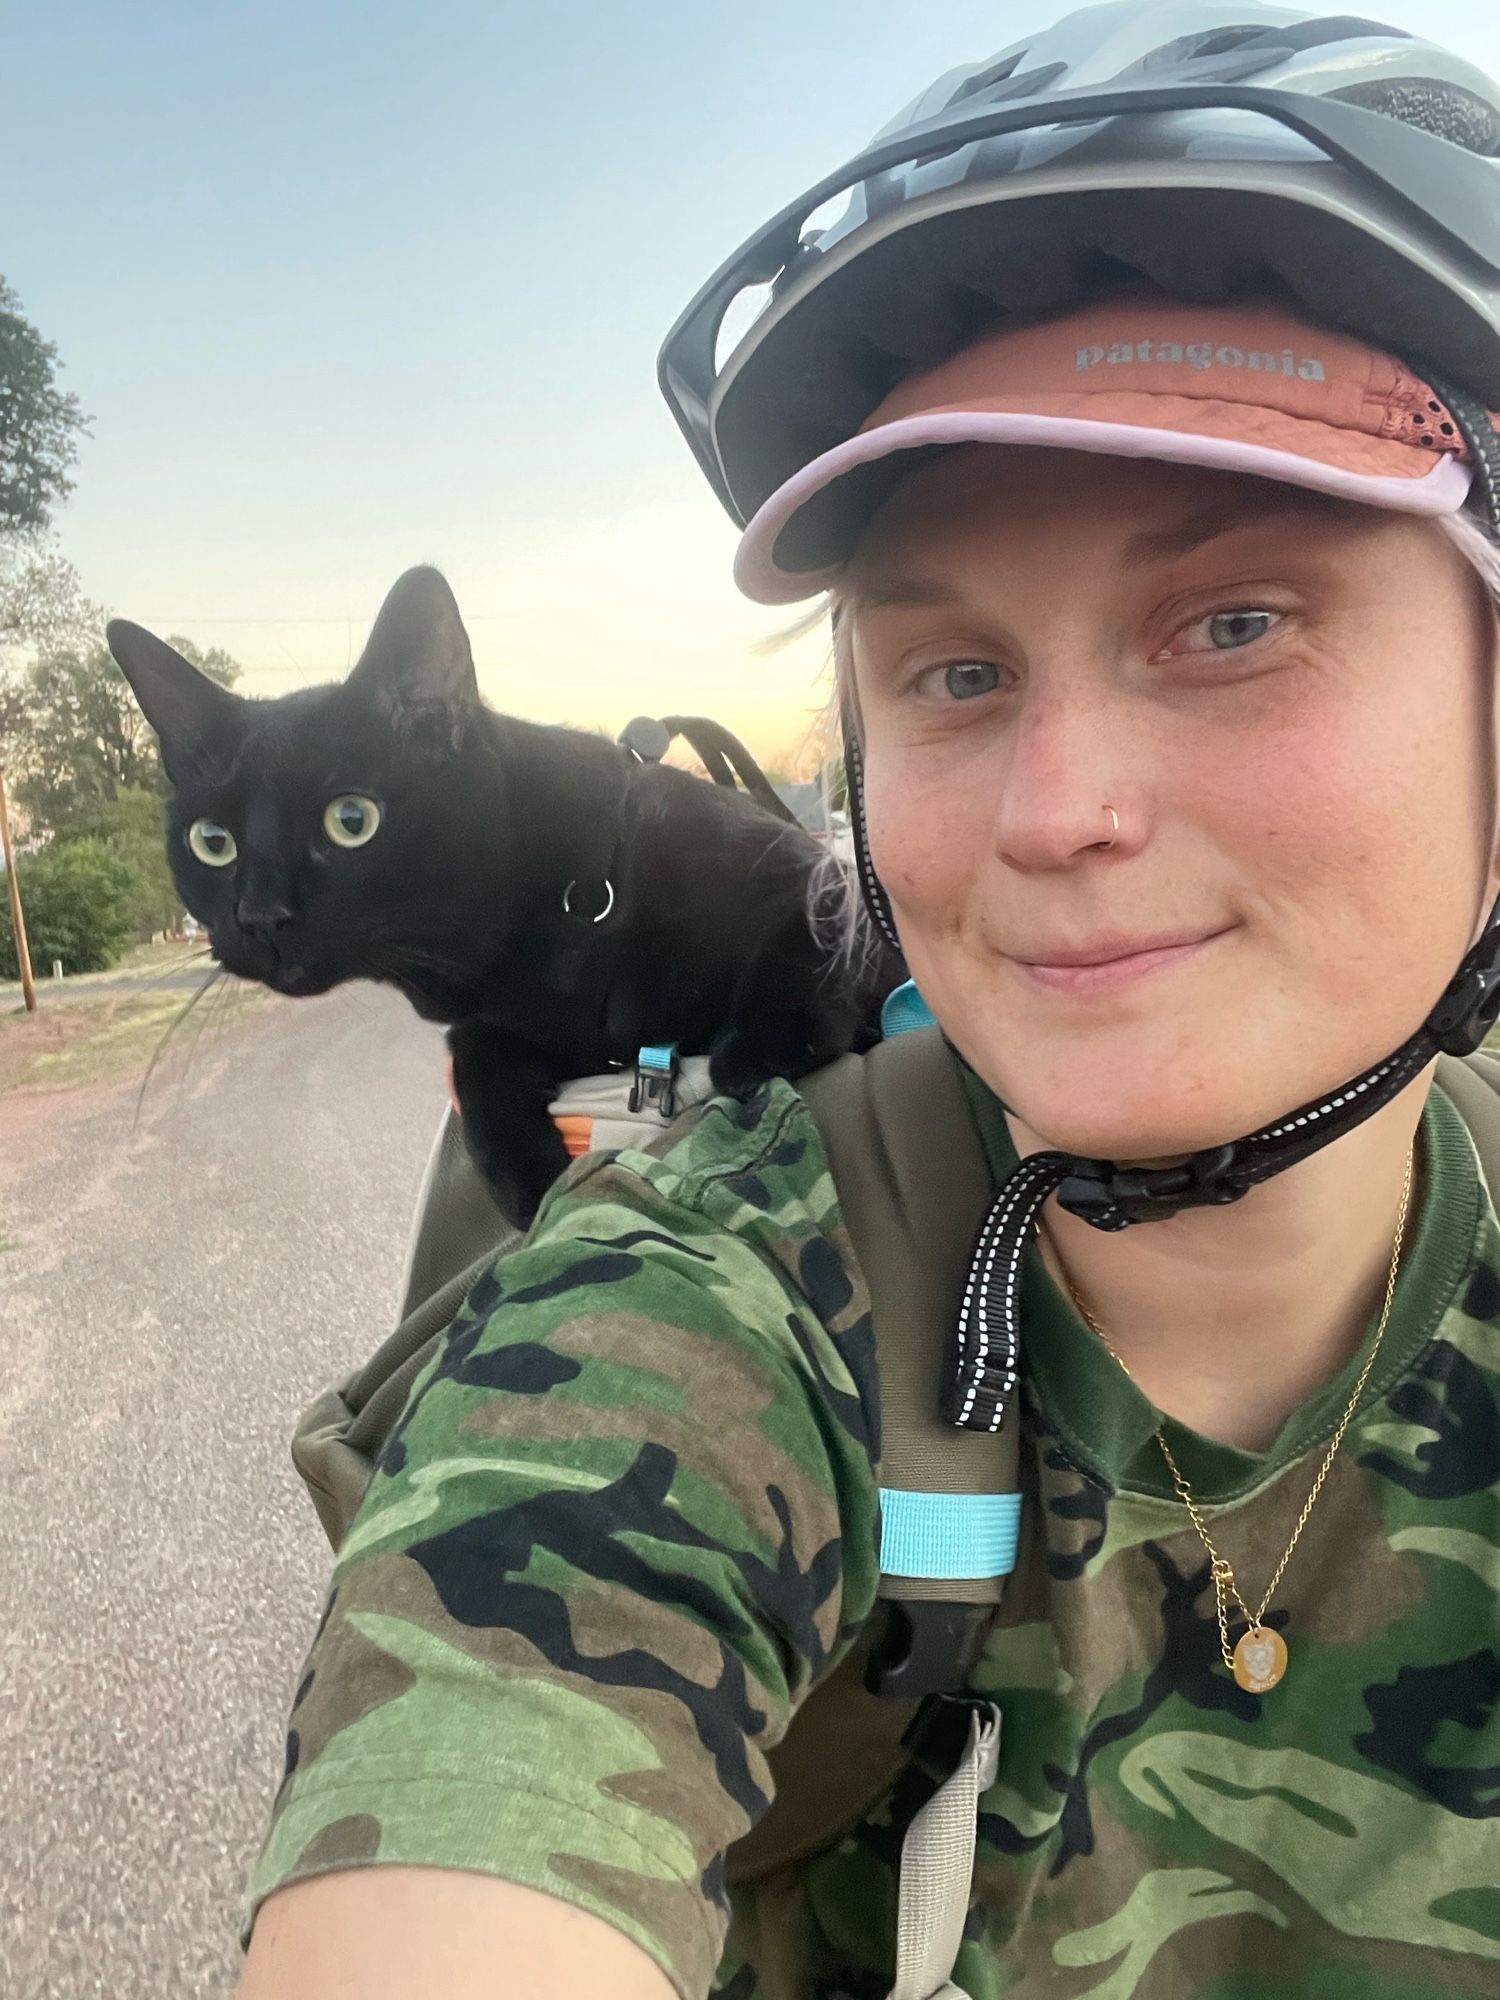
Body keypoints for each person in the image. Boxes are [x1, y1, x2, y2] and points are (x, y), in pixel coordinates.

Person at [236, 7, 1500, 1996]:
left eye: (1235, 620)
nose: (1055, 812)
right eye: (955, 673)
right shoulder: (712, 1319)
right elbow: (476, 1758)